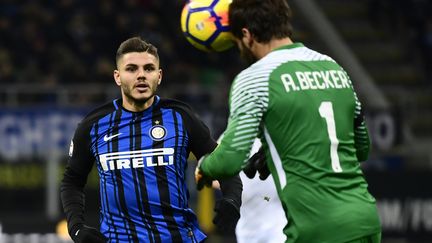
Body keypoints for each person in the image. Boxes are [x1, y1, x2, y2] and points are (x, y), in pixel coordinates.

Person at [195, 0, 382, 242]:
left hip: (317, 227)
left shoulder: (254, 78)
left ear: (246, 34)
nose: (239, 48)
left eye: (237, 41)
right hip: (364, 218)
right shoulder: (334, 67)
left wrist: (204, 168)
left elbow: (229, 160)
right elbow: (361, 149)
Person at [60, 37, 242, 243]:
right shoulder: (93, 125)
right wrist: (76, 227)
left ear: (159, 75)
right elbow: (72, 181)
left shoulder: (180, 117)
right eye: (131, 69)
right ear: (117, 77)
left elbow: (224, 166)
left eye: (148, 68)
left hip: (179, 238)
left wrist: (232, 199)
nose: (141, 76)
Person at [235, 139, 287, 243]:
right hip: (247, 227)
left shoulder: (276, 135)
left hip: (278, 223)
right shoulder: (234, 136)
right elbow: (214, 176)